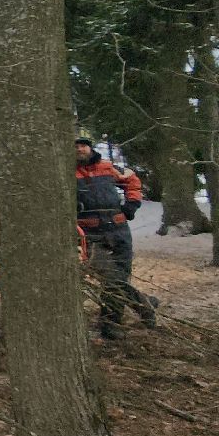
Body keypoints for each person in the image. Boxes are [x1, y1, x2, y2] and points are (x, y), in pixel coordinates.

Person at [74, 135, 156, 339]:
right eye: (75, 146)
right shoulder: (67, 174)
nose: (79, 149)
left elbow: (133, 181)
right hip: (90, 234)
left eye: (83, 145)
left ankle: (131, 312)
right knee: (112, 277)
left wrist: (132, 205)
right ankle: (116, 320)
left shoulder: (108, 167)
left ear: (90, 148)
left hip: (119, 230)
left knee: (121, 275)